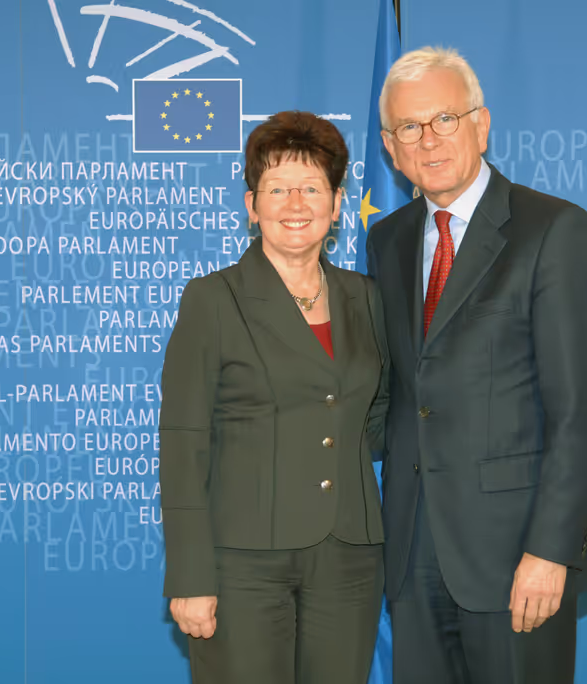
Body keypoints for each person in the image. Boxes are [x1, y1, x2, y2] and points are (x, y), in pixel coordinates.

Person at [365, 46, 587, 684]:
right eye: (408, 129)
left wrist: (550, 551)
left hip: (515, 558)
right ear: (390, 148)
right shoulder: (386, 240)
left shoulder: (553, 230)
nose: (428, 140)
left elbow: (579, 413)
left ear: (481, 123)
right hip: (413, 555)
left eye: (444, 119)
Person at [158, 110, 390, 684]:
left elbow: (380, 413)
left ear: (336, 204)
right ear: (251, 204)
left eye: (312, 188)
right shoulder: (213, 299)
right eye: (278, 188)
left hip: (349, 558)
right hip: (242, 565)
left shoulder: (367, 298)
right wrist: (190, 576)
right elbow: (183, 444)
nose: (295, 203)